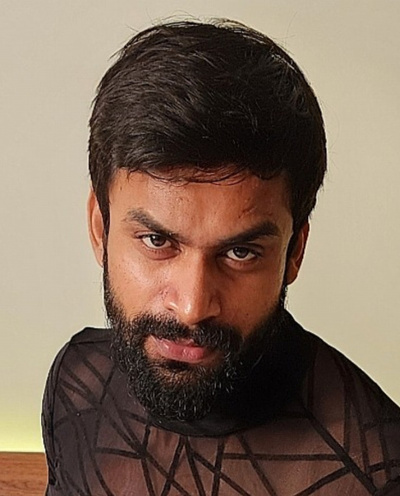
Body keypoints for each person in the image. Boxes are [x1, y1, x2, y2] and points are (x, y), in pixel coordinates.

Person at [42, 20, 400, 495]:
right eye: (157, 241)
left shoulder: (378, 469)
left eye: (240, 252)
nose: (192, 306)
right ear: (100, 228)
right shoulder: (77, 385)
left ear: (295, 252)